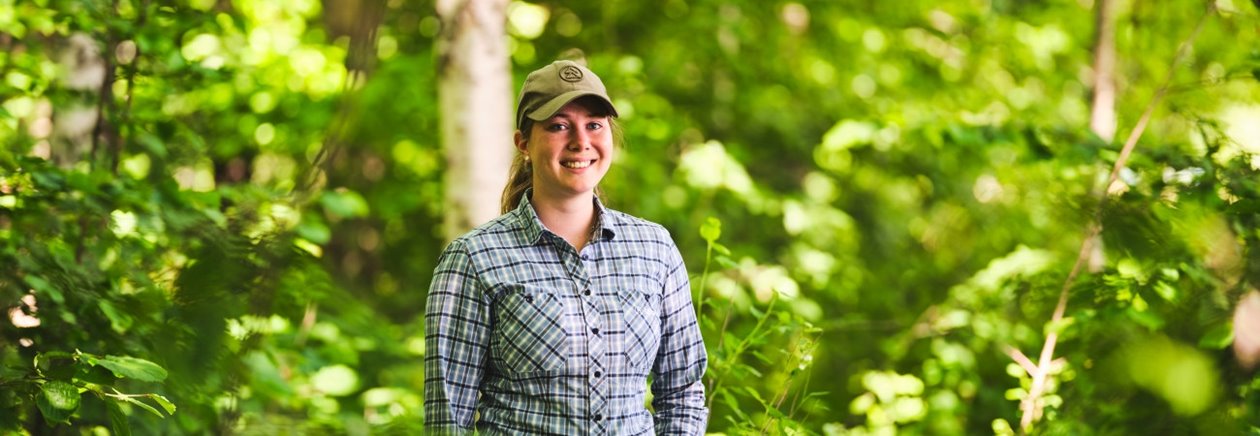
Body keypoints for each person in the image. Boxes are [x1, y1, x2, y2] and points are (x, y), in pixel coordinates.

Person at [423, 59, 709, 434]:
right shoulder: (474, 259)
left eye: (593, 125)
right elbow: (448, 417)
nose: (580, 141)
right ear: (523, 143)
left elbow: (683, 392)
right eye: (559, 126)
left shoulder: (654, 248)